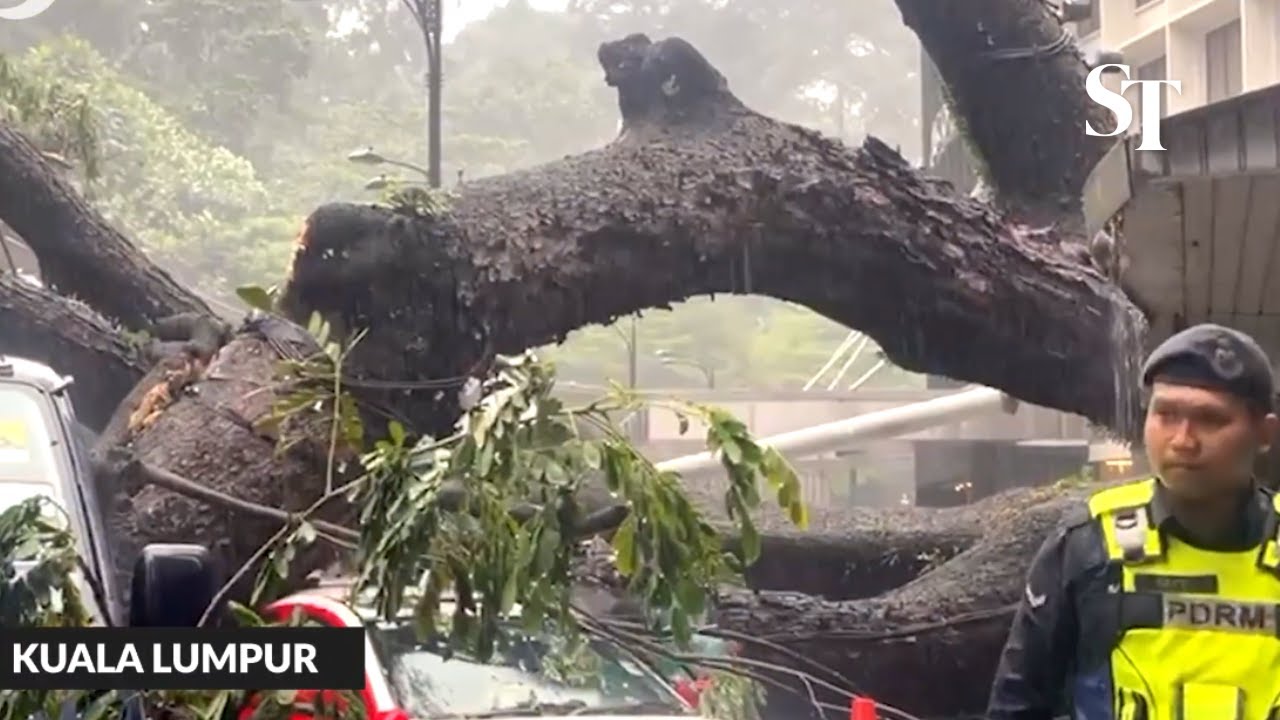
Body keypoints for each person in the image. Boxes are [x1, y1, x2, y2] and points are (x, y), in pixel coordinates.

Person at [985, 323, 1280, 720]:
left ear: (1265, 433)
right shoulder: (1088, 544)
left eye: (1210, 420)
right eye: (1166, 414)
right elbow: (1017, 706)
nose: (1182, 440)